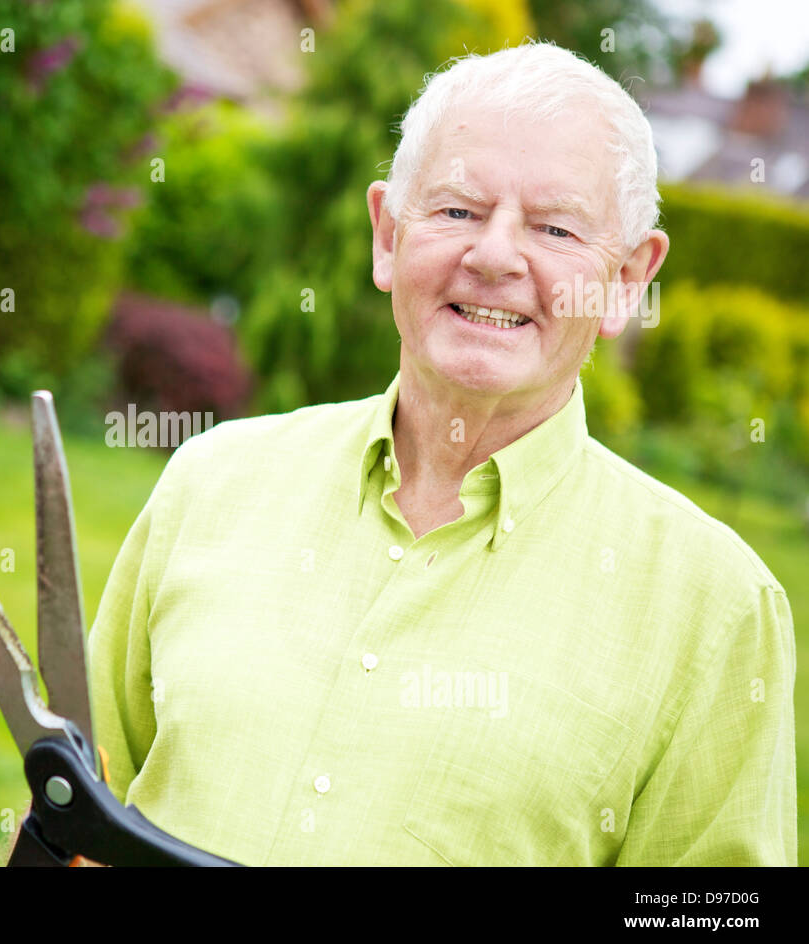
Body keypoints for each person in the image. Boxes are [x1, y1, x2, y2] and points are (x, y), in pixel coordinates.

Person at [84, 41, 796, 866]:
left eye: (555, 227)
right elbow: (76, 799)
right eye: (457, 211)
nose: (493, 256)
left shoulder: (716, 606)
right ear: (388, 236)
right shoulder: (211, 481)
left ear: (627, 281)